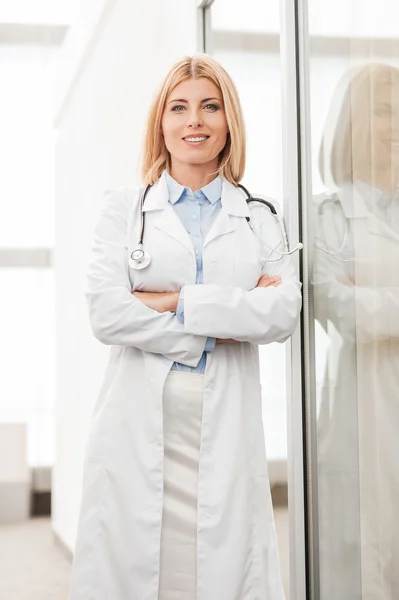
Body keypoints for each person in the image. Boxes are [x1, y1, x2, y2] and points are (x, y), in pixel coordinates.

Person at [68, 53, 301, 600]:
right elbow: (106, 313)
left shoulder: (262, 216)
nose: (194, 120)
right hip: (136, 422)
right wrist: (227, 318)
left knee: (220, 569)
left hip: (225, 424)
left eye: (209, 106)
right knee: (134, 563)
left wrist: (171, 299)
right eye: (179, 107)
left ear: (228, 123)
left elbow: (281, 314)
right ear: (162, 123)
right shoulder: (123, 211)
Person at [313, 62, 399, 600]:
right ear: (350, 123)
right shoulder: (329, 215)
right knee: (368, 546)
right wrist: (362, 303)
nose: (397, 124)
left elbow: (365, 306)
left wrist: (377, 300)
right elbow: (337, 305)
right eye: (384, 110)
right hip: (367, 402)